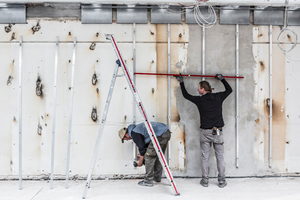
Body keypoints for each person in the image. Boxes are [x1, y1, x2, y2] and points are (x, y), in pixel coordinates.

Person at [175, 73, 232, 188]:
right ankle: (221, 181)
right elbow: (229, 90)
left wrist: (181, 82)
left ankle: (205, 181)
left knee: (205, 157)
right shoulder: (218, 97)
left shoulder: (200, 100)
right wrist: (222, 79)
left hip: (205, 133)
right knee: (220, 157)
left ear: (203, 89)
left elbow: (186, 95)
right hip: (218, 132)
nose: (197, 89)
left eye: (198, 87)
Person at [118, 122, 171, 187]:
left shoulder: (134, 134)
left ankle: (148, 181)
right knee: (157, 156)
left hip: (160, 135)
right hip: (165, 133)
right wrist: (141, 155)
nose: (126, 140)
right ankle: (157, 177)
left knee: (149, 157)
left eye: (125, 139)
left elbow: (142, 149)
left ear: (126, 135)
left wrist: (140, 162)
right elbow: (145, 146)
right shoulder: (136, 130)